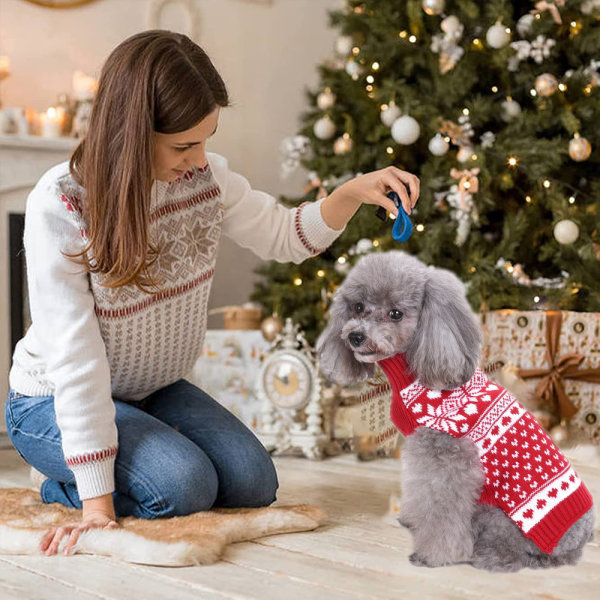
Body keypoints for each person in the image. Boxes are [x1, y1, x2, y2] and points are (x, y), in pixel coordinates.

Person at [4, 30, 419, 557]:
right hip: (49, 402)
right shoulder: (61, 205)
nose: (200, 159)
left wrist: (349, 194)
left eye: (207, 139)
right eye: (183, 145)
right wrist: (97, 510)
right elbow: (77, 362)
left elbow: (286, 235)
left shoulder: (206, 179)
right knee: (183, 488)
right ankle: (60, 486)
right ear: (132, 135)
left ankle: (127, 466)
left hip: (148, 390)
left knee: (252, 483)